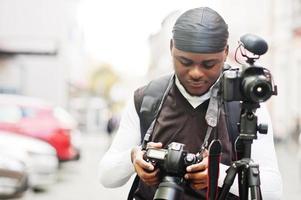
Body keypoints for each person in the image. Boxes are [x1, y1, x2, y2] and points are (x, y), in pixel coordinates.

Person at [98, 7, 282, 200]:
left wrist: (217, 174)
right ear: (171, 48)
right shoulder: (147, 98)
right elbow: (106, 177)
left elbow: (274, 191)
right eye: (185, 62)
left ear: (226, 52)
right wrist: (133, 157)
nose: (196, 73)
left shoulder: (246, 102)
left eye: (208, 64)